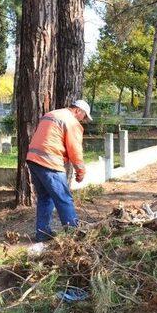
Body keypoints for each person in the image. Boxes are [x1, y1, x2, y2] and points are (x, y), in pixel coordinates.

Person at [26, 100, 93, 241]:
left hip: (33, 159)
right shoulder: (72, 122)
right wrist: (81, 171)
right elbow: (75, 150)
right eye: (84, 116)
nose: (84, 120)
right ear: (78, 111)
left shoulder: (52, 114)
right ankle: (74, 235)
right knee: (64, 198)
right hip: (49, 162)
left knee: (45, 198)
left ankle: (42, 233)